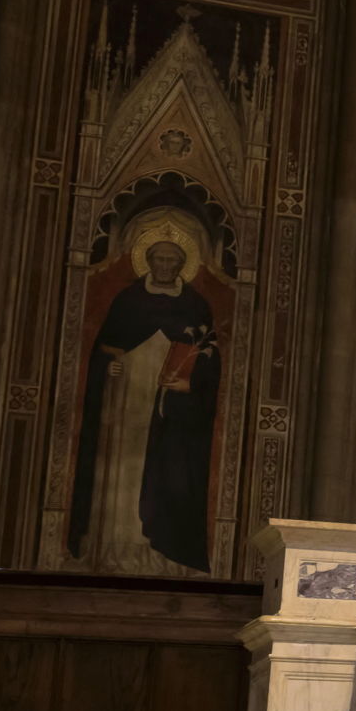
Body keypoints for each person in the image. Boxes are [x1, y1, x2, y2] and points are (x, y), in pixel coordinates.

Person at [68, 236, 221, 575]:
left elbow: (210, 365)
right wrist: (108, 368)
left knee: (168, 470)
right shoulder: (128, 300)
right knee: (125, 471)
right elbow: (104, 349)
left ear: (182, 265)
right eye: (160, 260)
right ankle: (116, 547)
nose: (165, 266)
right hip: (127, 403)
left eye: (172, 261)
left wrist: (189, 385)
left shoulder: (195, 306)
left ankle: (162, 549)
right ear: (149, 262)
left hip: (172, 412)